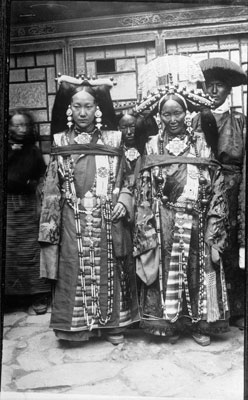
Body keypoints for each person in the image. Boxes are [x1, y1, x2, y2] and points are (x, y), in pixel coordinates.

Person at [38, 75, 139, 345]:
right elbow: (51, 187)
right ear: (69, 109)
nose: (83, 112)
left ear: (98, 109)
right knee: (74, 267)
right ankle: (76, 328)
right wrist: (51, 227)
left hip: (108, 214)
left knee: (110, 266)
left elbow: (129, 179)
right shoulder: (60, 141)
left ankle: (112, 325)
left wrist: (124, 201)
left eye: (89, 106)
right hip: (72, 216)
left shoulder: (114, 138)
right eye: (77, 106)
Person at [131, 86, 230, 346]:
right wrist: (146, 226)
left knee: (202, 268)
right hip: (163, 218)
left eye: (177, 113)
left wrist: (214, 229)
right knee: (165, 272)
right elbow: (144, 188)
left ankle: (201, 324)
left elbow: (216, 183)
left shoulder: (201, 143)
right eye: (166, 114)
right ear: (159, 117)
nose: (172, 119)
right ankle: (169, 324)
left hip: (197, 216)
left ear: (186, 114)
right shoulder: (152, 144)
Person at [197, 57, 246, 330]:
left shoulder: (240, 120)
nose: (213, 91)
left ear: (229, 90)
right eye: (209, 85)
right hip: (203, 185)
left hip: (232, 186)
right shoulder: (195, 119)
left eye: (219, 86)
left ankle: (237, 308)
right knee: (205, 247)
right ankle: (207, 309)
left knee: (229, 249)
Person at [5, 108, 50, 314]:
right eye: (16, 124)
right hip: (7, 205)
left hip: (27, 206)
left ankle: (37, 295)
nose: (20, 129)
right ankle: (10, 299)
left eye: (24, 125)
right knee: (9, 251)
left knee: (31, 251)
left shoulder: (33, 151)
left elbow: (41, 177)